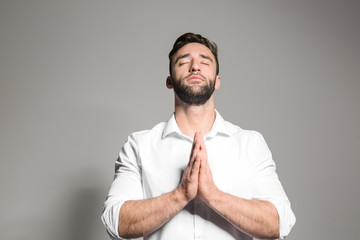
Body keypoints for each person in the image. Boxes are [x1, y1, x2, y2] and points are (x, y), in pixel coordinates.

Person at [101, 32, 296, 240]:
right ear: (169, 81)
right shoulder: (138, 145)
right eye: (183, 61)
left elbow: (279, 223)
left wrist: (214, 195)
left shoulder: (250, 144)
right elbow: (115, 222)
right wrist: (181, 194)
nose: (195, 66)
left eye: (205, 62)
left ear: (217, 81)